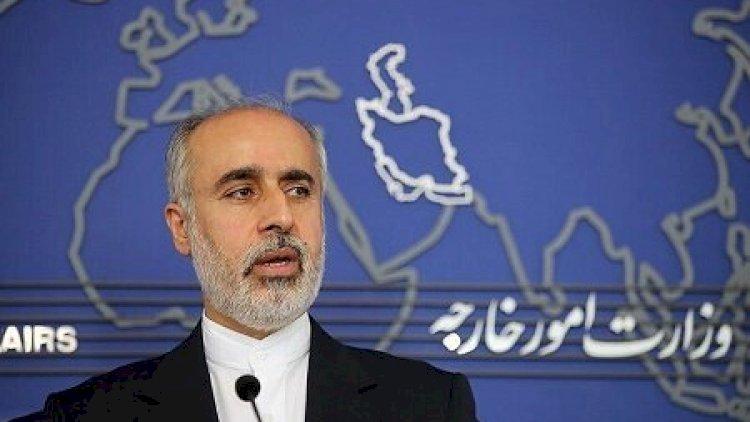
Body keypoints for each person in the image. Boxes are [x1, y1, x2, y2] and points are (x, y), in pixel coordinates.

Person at [14, 98, 477, 421]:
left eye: (299, 190)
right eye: (242, 191)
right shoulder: (83, 415)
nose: (281, 216)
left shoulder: (432, 405)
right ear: (182, 228)